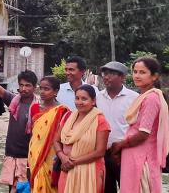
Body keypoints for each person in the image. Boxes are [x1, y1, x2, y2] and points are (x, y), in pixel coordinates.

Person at [0, 52, 38, 193]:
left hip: (28, 158)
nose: (24, 89)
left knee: (25, 189)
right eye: (21, 85)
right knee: (12, 188)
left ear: (35, 87)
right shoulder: (13, 100)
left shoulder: (39, 107)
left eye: (28, 85)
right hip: (11, 154)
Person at [112, 57, 169, 193]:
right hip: (133, 155)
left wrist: (119, 145)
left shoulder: (151, 98)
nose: (137, 76)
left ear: (154, 76)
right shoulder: (143, 96)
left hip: (142, 158)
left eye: (142, 72)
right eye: (135, 71)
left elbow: (143, 133)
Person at [54, 85, 110, 193]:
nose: (79, 102)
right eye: (77, 98)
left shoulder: (100, 121)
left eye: (84, 99)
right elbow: (56, 140)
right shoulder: (68, 117)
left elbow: (100, 152)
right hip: (67, 168)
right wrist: (62, 157)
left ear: (93, 101)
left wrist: (73, 162)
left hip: (90, 170)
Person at [96, 61, 138, 193]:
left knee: (128, 188)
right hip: (102, 152)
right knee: (106, 188)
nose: (106, 77)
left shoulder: (134, 98)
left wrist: (124, 145)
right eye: (105, 73)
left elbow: (137, 127)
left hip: (124, 152)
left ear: (122, 77)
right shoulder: (97, 97)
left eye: (111, 73)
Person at [28, 76, 69, 193]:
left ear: (56, 91)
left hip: (53, 155)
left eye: (46, 89)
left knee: (52, 185)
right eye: (40, 88)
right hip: (34, 152)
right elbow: (33, 133)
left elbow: (63, 137)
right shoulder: (34, 108)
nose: (42, 92)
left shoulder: (63, 110)